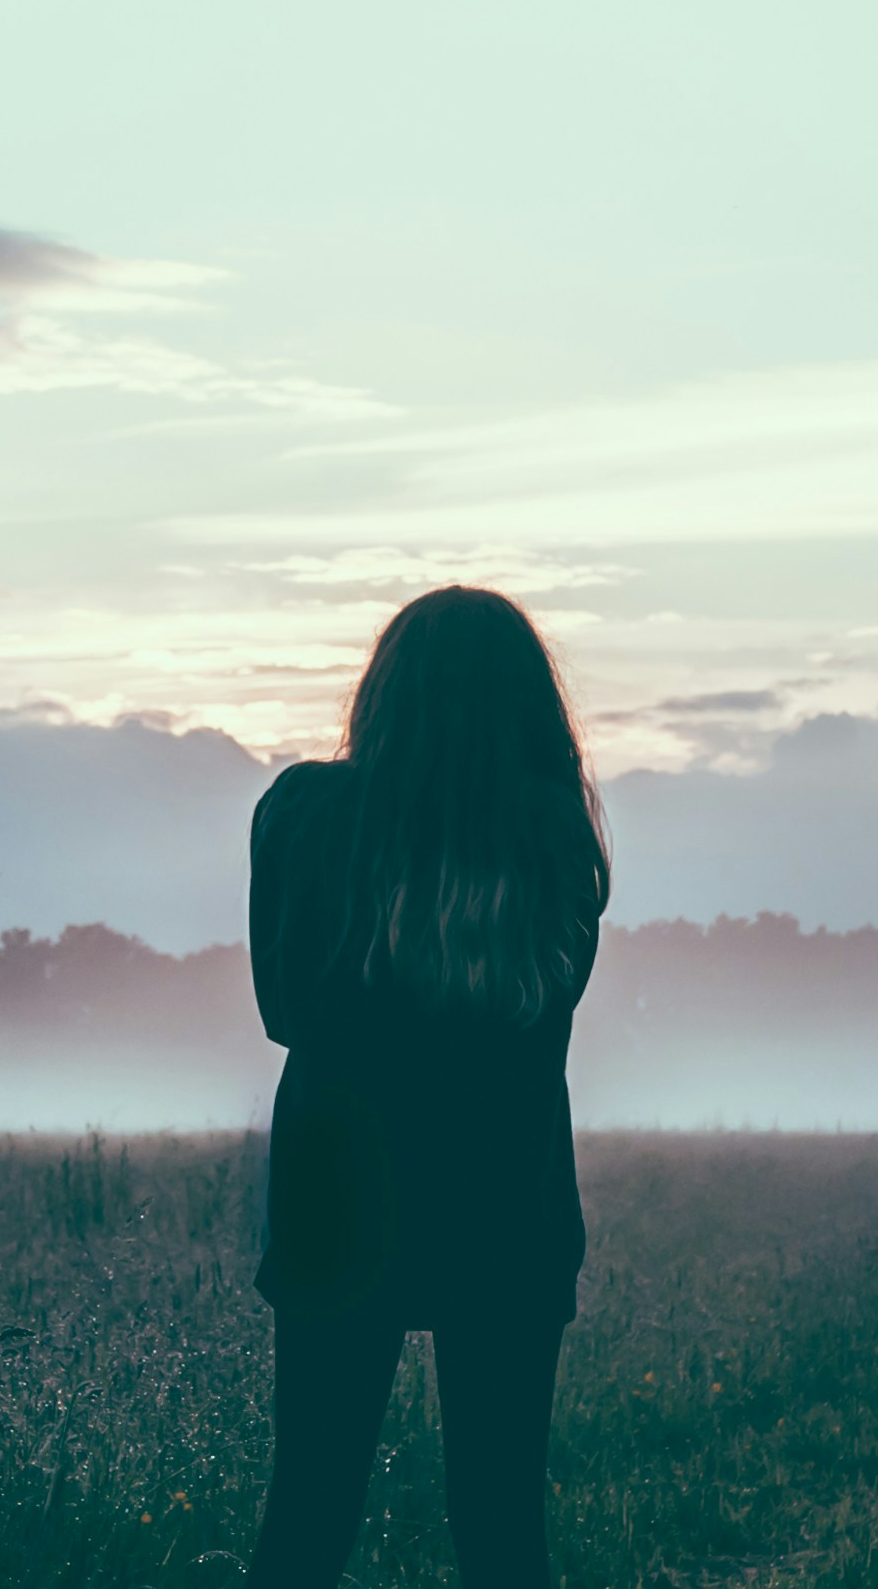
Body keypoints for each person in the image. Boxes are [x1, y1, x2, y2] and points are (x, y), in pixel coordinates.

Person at [244, 586, 612, 1589]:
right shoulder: (554, 837)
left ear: (382, 693)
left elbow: (284, 1011)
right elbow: (545, 1009)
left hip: (337, 1206)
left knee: (308, 1514)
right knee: (501, 1530)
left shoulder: (304, 813)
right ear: (530, 704)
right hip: (506, 1207)